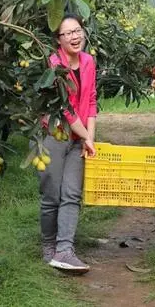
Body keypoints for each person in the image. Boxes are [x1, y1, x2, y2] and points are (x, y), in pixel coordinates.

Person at [39, 14, 97, 274]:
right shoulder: (53, 65)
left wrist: (89, 138)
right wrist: (85, 136)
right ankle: (48, 245)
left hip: (78, 137)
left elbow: (92, 101)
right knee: (52, 195)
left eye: (78, 31)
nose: (75, 37)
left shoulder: (88, 61)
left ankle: (65, 249)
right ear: (58, 40)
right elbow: (64, 109)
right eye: (68, 33)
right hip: (55, 134)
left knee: (72, 194)